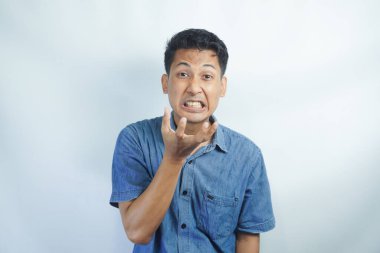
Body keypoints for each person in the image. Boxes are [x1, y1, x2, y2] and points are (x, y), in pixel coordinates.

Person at [110, 28, 275, 253]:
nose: (194, 88)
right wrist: (173, 158)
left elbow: (247, 240)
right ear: (166, 83)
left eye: (207, 76)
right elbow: (137, 232)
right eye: (183, 74)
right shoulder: (134, 139)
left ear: (222, 86)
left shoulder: (248, 156)